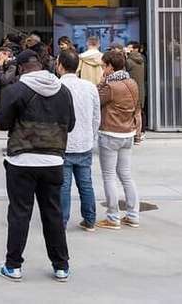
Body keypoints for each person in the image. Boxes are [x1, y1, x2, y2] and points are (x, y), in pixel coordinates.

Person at [0, 50, 76, 283]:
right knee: (53, 212)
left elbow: (1, 122)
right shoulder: (63, 90)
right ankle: (61, 266)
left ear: (20, 68)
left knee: (20, 213)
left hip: (22, 161)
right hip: (53, 162)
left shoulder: (15, 90)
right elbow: (69, 125)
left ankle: (13, 266)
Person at [95, 50, 142, 230]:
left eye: (103, 66)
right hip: (128, 133)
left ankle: (113, 217)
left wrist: (102, 81)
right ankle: (133, 215)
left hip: (110, 134)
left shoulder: (110, 87)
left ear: (110, 66)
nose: (102, 69)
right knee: (126, 176)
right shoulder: (132, 83)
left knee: (108, 177)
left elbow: (96, 100)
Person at [57, 50, 101, 232]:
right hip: (84, 142)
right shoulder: (90, 87)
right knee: (86, 184)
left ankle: (62, 222)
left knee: (63, 186)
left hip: (63, 144)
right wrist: (91, 135)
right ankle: (90, 220)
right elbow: (96, 116)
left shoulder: (57, 86)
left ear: (60, 65)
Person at [125, 41, 147, 143]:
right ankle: (139, 135)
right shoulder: (142, 59)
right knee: (138, 113)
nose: (127, 48)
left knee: (132, 113)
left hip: (131, 90)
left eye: (129, 47)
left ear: (134, 49)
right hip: (140, 89)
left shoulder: (129, 61)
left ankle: (133, 134)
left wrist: (125, 55)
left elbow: (124, 69)